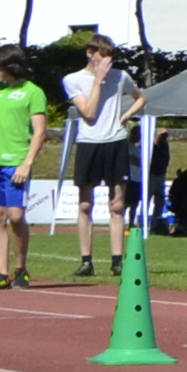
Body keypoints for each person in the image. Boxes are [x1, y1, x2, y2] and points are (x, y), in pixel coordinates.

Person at [61, 35, 147, 282]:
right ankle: (86, 260)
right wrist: (98, 81)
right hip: (89, 143)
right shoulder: (73, 80)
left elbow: (140, 97)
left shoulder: (120, 77)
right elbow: (87, 112)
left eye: (109, 59)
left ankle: (117, 261)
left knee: (117, 204)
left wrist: (126, 115)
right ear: (90, 53)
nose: (106, 64)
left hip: (115, 142)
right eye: (101, 58)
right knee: (85, 204)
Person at [0, 47, 52, 286]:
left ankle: (20, 267)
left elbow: (40, 131)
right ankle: (1, 272)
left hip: (16, 161)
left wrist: (27, 163)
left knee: (16, 216)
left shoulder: (32, 92)